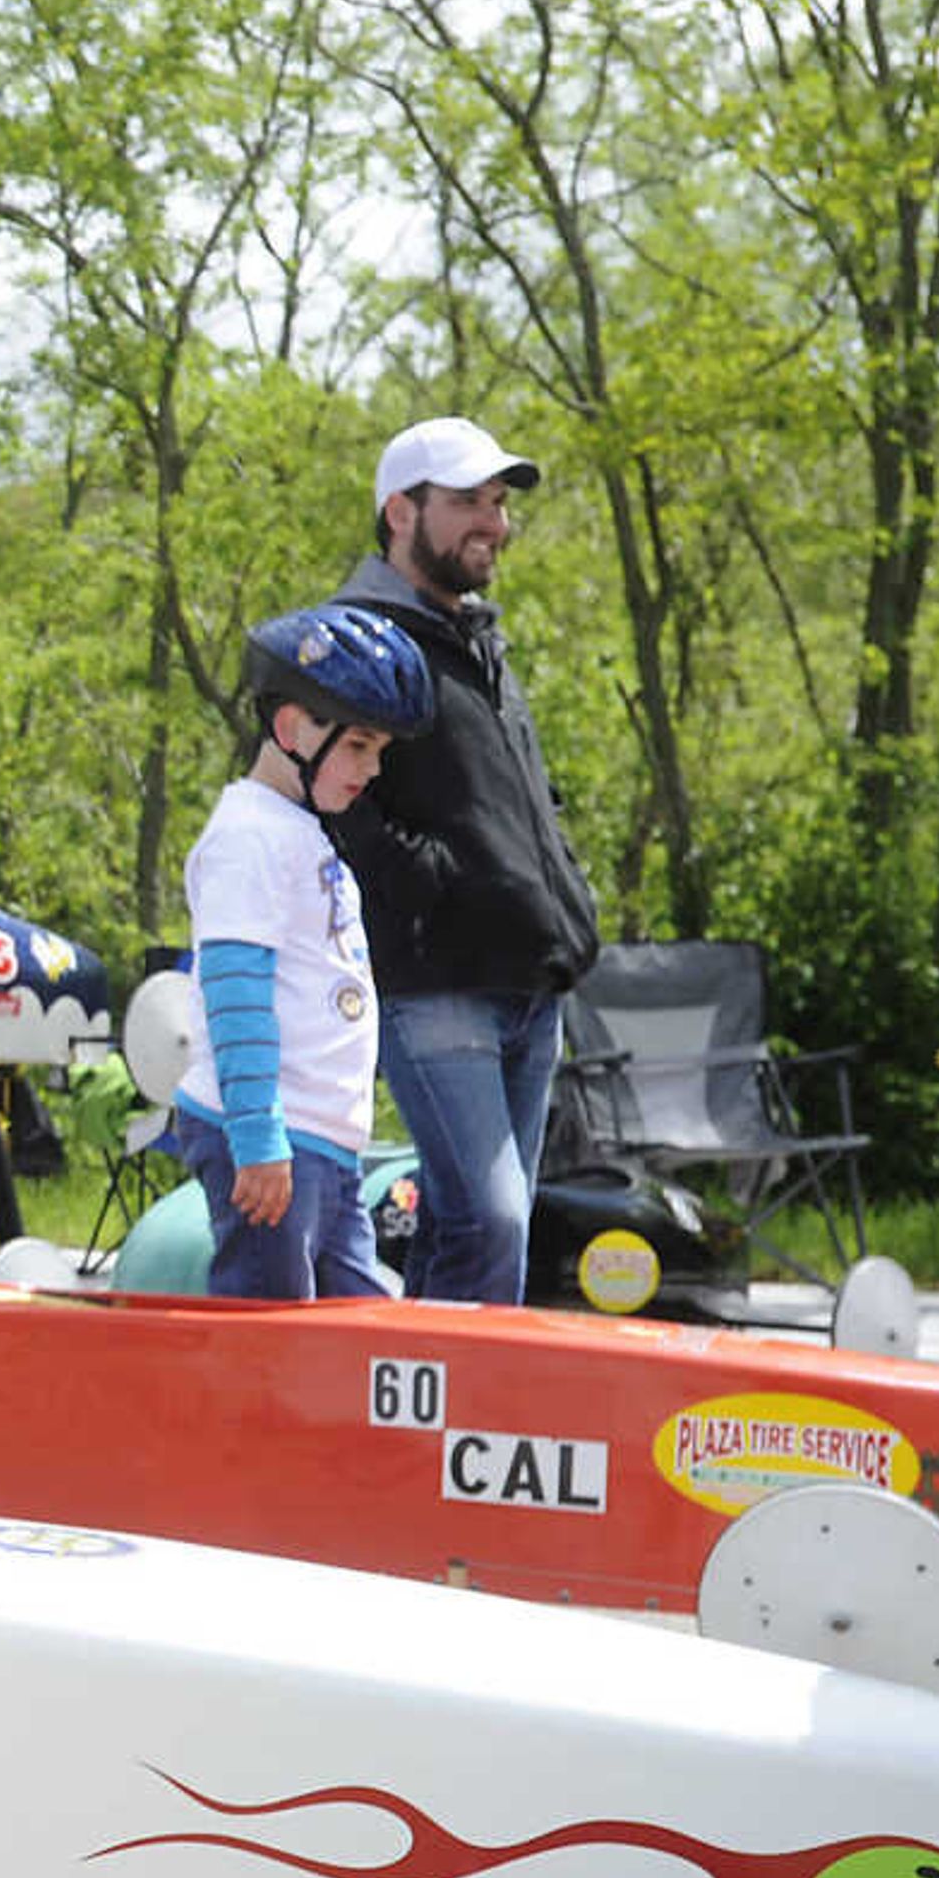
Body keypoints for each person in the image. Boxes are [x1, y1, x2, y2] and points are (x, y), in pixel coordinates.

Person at [327, 418, 600, 1303]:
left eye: (498, 503)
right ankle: (458, 1414)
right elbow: (338, 804)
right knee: (494, 1220)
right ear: (400, 511)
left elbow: (515, 803)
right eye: (468, 503)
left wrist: (563, 887)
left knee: (467, 1232)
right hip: (438, 986)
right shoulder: (355, 640)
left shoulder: (477, 638)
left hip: (533, 988)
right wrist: (439, 888)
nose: (495, 522)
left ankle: (431, 1428)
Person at [171, 607, 433, 1299]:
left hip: (323, 1144)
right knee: (270, 1330)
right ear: (292, 730)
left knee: (353, 1328)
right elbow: (236, 992)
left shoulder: (299, 831)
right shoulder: (249, 836)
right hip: (268, 1136)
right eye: (359, 746)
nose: (372, 769)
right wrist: (257, 1139)